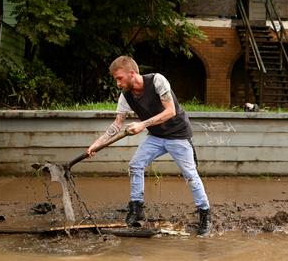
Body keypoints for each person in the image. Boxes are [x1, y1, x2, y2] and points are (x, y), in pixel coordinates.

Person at [87, 55, 211, 236]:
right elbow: (117, 124)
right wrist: (96, 145)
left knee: (190, 175)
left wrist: (142, 124)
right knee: (135, 165)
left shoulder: (157, 81)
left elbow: (171, 111)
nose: (118, 83)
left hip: (178, 135)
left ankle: (205, 215)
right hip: (156, 136)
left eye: (119, 78)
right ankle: (137, 208)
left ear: (131, 73)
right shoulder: (126, 95)